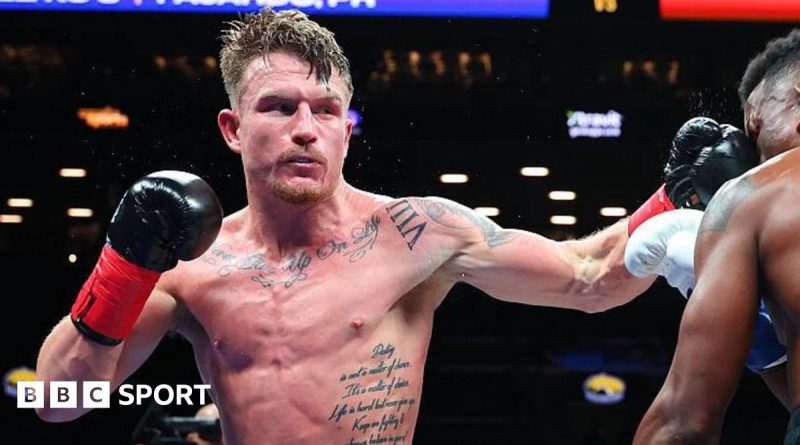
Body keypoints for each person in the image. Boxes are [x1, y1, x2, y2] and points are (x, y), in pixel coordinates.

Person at [32, 8, 754, 445]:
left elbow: (589, 278)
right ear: (232, 127)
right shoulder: (192, 268)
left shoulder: (418, 232)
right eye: (279, 107)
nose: (305, 129)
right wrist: (122, 266)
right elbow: (59, 401)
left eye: (324, 110)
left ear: (347, 128)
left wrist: (673, 195)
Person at [631, 28, 800, 444]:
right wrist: (764, 341)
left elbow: (683, 423)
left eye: (756, 133)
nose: (756, 161)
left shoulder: (757, 195)